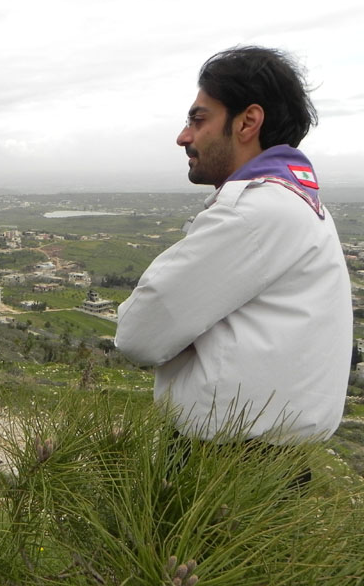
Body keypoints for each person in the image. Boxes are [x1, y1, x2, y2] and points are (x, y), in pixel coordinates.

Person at [115, 46, 353, 451]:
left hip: (219, 464)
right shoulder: (303, 206)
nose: (183, 136)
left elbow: (138, 334)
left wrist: (186, 338)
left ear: (248, 122)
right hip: (270, 464)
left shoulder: (253, 212)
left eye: (198, 118)